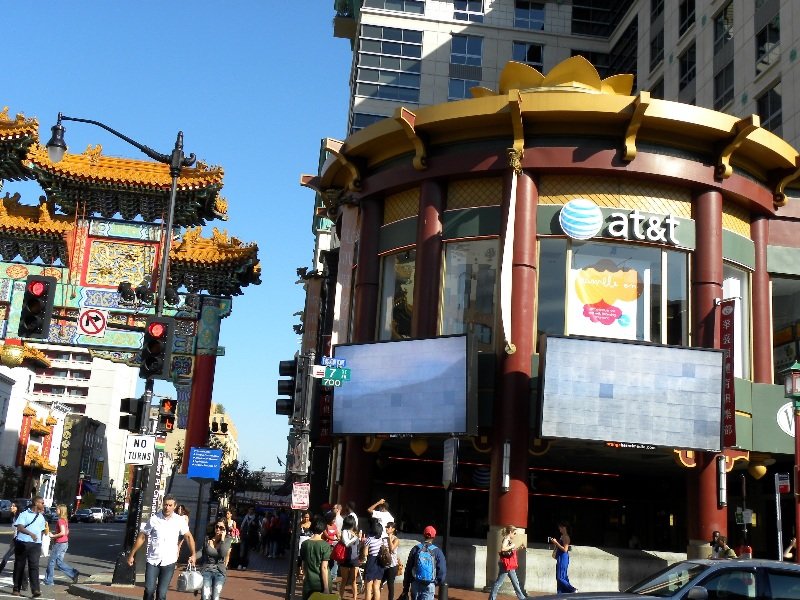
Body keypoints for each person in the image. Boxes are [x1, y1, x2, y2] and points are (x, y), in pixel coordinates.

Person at [127, 494, 196, 600]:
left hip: (169, 561)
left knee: (162, 593)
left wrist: (193, 554)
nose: (167, 507)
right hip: (153, 560)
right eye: (165, 505)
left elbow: (188, 537)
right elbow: (142, 537)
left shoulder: (179, 520)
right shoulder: (154, 519)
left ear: (174, 506)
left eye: (170, 505)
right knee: (149, 590)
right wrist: (132, 555)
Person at [401, 525, 446, 600]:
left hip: (416, 583)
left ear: (424, 535)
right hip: (429, 584)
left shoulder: (416, 549)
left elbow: (408, 569)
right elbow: (442, 571)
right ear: (434, 536)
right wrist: (435, 582)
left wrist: (406, 588)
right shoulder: (437, 551)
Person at [13, 496, 46, 597]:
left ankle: (35, 589)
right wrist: (30, 534)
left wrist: (41, 543)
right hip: (22, 543)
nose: (43, 505)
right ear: (36, 503)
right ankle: (16, 588)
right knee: (20, 566)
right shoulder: (24, 514)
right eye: (42, 503)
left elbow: (42, 531)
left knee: (34, 566)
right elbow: (20, 527)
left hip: (35, 545)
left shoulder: (41, 517)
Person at [43, 504, 80, 586]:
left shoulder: (60, 520)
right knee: (59, 562)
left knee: (51, 561)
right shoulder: (65, 520)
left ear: (61, 511)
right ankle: (73, 573)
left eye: (57, 509)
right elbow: (67, 532)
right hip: (64, 543)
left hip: (59, 544)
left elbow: (63, 532)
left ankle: (49, 581)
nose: (56, 510)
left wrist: (53, 536)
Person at [488, 525, 526, 600]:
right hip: (506, 565)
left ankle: (522, 598)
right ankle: (492, 598)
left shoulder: (508, 540)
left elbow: (509, 552)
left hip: (508, 565)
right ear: (510, 532)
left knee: (515, 583)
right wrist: (512, 546)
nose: (515, 535)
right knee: (499, 583)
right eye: (514, 533)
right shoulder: (506, 539)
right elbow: (503, 548)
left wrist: (517, 548)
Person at [300, 516, 331, 600]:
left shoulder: (304, 544)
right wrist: (326, 588)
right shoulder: (325, 545)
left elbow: (303, 563)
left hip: (309, 581)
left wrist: (304, 576)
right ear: (323, 530)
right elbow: (324, 567)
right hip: (321, 582)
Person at [200, 519, 232, 600]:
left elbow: (222, 553)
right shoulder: (208, 539)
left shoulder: (227, 539)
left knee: (215, 598)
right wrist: (193, 557)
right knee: (205, 597)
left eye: (221, 528)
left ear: (225, 530)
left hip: (219, 572)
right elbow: (201, 552)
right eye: (217, 527)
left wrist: (222, 539)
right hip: (207, 570)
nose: (218, 529)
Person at [361, 518, 386, 600]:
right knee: (376, 587)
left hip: (371, 562)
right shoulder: (382, 540)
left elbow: (365, 554)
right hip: (380, 563)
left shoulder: (369, 539)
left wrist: (363, 544)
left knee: (368, 589)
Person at [549, 522, 576, 594]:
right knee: (561, 576)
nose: (559, 530)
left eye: (560, 528)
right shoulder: (562, 536)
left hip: (563, 557)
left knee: (560, 577)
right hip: (560, 557)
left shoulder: (566, 537)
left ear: (564, 528)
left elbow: (565, 549)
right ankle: (561, 593)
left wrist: (556, 543)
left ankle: (572, 589)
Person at [339, 514, 361, 600]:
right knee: (344, 579)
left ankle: (354, 598)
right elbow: (347, 543)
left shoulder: (354, 532)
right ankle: (340, 597)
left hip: (354, 558)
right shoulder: (345, 531)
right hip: (345, 558)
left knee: (353, 580)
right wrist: (355, 538)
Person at [381, 522, 401, 600]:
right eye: (386, 527)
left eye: (388, 527)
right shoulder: (383, 539)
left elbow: (392, 549)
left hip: (392, 566)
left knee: (390, 585)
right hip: (383, 564)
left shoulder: (396, 539)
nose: (386, 528)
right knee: (379, 584)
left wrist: (389, 538)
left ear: (393, 529)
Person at [324, 510, 341, 589]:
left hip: (333, 546)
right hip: (326, 545)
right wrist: (334, 539)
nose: (334, 520)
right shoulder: (325, 526)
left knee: (334, 561)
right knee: (327, 560)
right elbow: (326, 536)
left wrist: (338, 537)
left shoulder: (334, 525)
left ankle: (332, 575)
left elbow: (337, 533)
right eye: (333, 519)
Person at [0, 502, 18, 574]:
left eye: (13, 506)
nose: (11, 507)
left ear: (17, 508)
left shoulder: (19, 517)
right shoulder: (13, 517)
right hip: (15, 540)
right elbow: (15, 530)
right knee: (19, 559)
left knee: (7, 556)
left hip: (20, 540)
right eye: (11, 506)